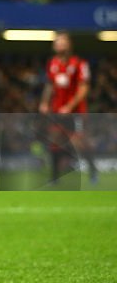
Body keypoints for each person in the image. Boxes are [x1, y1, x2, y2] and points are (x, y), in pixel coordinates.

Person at [39, 31, 94, 184]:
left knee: (79, 143)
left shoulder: (80, 64)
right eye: (57, 42)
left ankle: (93, 170)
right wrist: (44, 103)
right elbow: (49, 85)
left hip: (76, 111)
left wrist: (69, 106)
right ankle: (54, 176)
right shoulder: (52, 63)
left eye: (62, 41)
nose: (59, 44)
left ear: (69, 44)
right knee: (55, 140)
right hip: (58, 110)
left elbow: (84, 88)